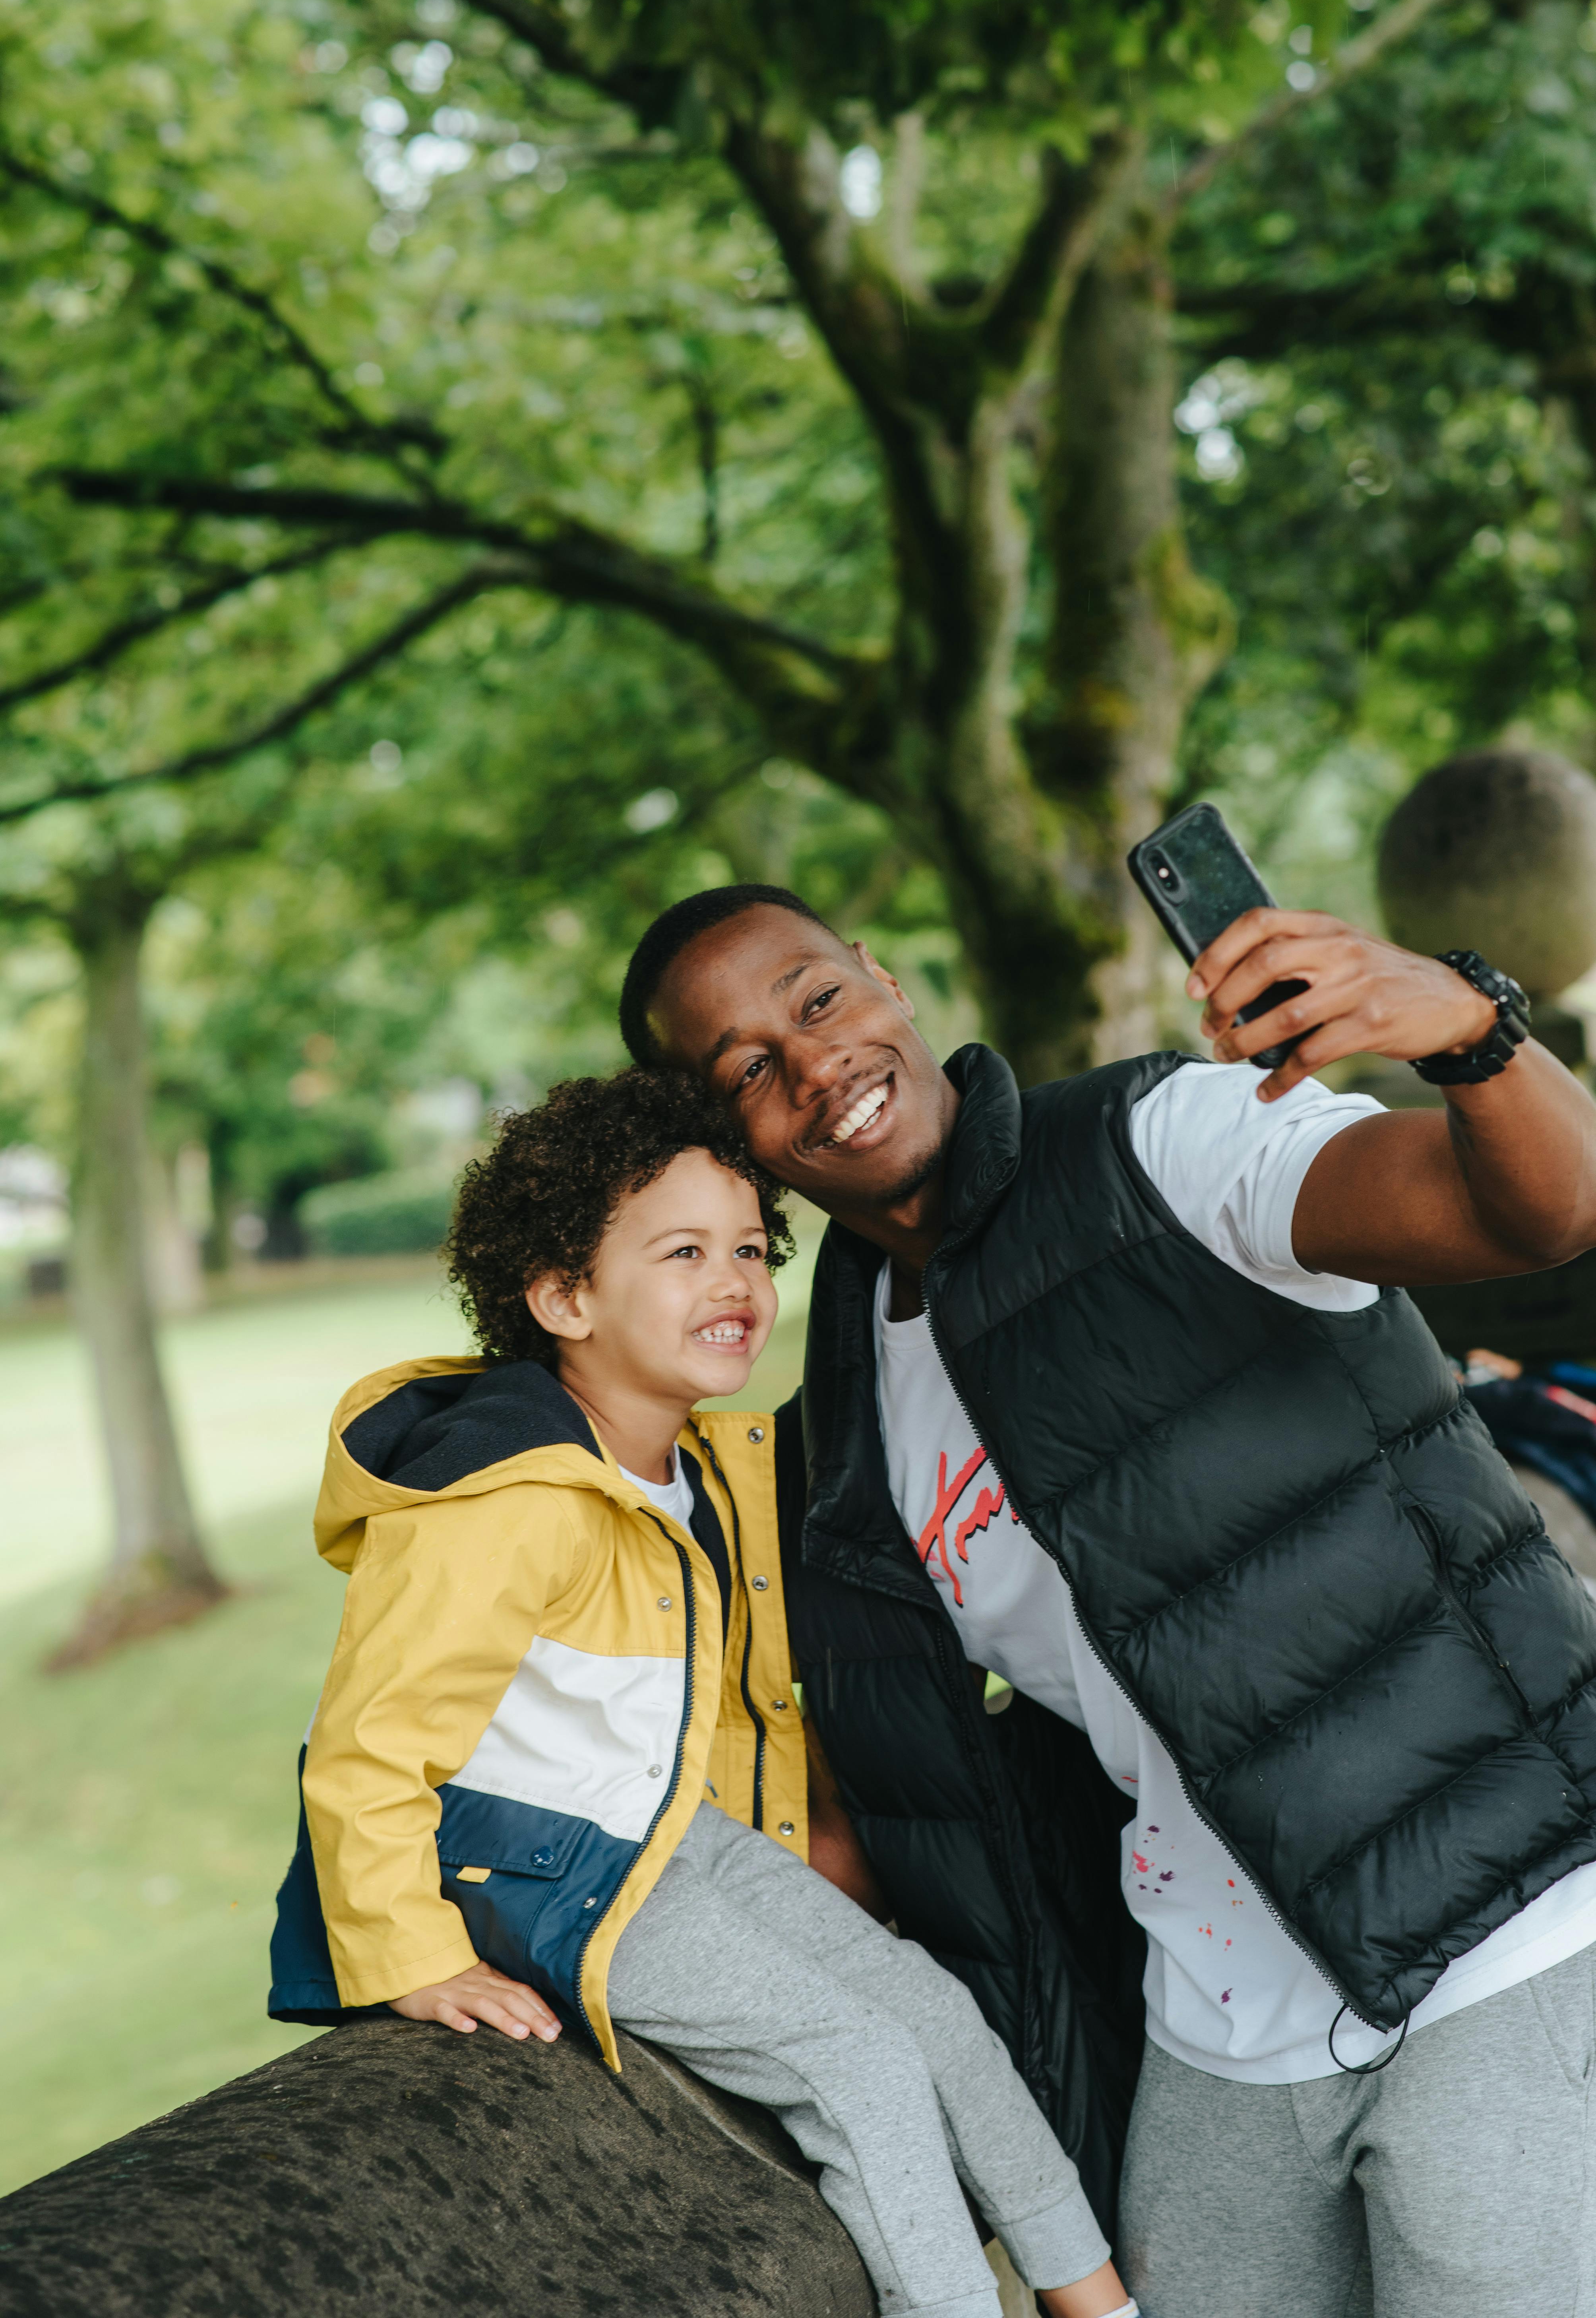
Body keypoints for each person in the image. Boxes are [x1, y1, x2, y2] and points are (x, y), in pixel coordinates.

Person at [619, 881, 1596, 2318]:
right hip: (1219, 2013)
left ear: (883, 977)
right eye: (747, 1069)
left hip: (1502, 1926)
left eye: (818, 999)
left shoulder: (1165, 1143)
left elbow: (1542, 1210)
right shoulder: (845, 1395)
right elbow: (914, 1770)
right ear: (730, 1139)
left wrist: (1467, 1036)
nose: (813, 1063)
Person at [267, 1067, 1135, 2318]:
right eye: (682, 1252)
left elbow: (709, 1708)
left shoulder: (698, 1466)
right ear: (564, 1295)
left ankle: (1099, 2301)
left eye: (748, 1247)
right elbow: (365, 1746)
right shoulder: (505, 1497)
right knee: (863, 2067)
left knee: (930, 2008)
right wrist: (409, 1955)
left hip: (654, 1830)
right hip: (519, 1859)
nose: (734, 1283)